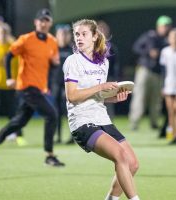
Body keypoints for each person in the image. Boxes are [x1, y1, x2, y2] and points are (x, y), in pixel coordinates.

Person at [64, 19, 140, 200]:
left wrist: (114, 96)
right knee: (121, 156)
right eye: (77, 34)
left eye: (84, 34)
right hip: (82, 123)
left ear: (94, 36)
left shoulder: (103, 62)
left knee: (133, 164)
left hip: (102, 119)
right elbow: (72, 96)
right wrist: (100, 87)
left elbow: (98, 97)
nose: (79, 38)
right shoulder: (72, 61)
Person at [0, 8, 64, 167]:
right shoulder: (25, 39)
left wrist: (53, 68)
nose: (43, 23)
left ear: (50, 23)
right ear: (35, 22)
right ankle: (49, 155)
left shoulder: (52, 42)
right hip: (26, 86)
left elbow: (51, 64)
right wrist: (9, 78)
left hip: (39, 87)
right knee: (52, 115)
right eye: (41, 20)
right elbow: (9, 56)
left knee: (20, 121)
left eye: (46, 20)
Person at [129, 15, 172, 131]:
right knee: (140, 96)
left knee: (156, 99)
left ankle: (154, 122)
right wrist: (149, 52)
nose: (165, 28)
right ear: (158, 26)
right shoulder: (149, 35)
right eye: (164, 26)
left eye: (167, 26)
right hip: (144, 70)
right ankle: (134, 122)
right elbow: (136, 47)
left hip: (158, 72)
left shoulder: (168, 41)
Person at [49, 24, 73, 144]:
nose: (63, 37)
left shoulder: (72, 51)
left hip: (68, 86)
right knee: (55, 113)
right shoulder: (52, 50)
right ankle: (57, 137)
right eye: (60, 34)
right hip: (55, 86)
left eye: (65, 34)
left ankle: (73, 137)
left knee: (69, 112)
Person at [97, 20, 120, 119]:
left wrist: (114, 78)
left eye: (104, 29)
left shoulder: (112, 48)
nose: (102, 32)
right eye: (100, 29)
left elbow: (115, 64)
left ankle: (109, 128)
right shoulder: (90, 46)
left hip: (108, 79)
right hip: (94, 80)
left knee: (108, 105)